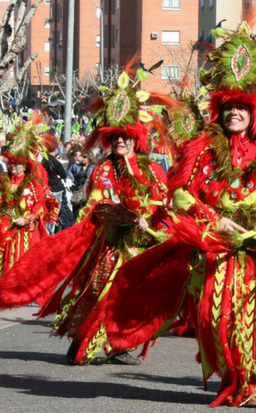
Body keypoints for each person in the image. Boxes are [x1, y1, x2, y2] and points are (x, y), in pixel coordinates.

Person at [88, 12, 256, 407]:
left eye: (242, 107)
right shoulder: (201, 150)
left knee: (254, 321)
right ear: (220, 109)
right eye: (229, 106)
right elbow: (182, 196)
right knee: (215, 319)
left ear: (255, 112)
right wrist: (214, 219)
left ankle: (249, 382)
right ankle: (229, 376)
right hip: (215, 250)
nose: (235, 112)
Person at [0, 63, 170, 366]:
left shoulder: (152, 169)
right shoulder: (104, 168)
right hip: (107, 245)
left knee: (130, 297)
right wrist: (126, 216)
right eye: (115, 136)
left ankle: (117, 344)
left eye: (126, 137)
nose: (120, 141)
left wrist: (153, 222)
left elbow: (163, 202)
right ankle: (81, 339)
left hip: (141, 245)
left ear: (137, 138)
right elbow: (99, 204)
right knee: (94, 291)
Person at [0, 112, 58, 277]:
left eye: (17, 164)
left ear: (25, 165)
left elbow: (39, 206)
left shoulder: (33, 183)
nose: (13, 167)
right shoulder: (2, 181)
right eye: (11, 163)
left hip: (24, 231)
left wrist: (26, 218)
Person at [42, 138, 75, 233]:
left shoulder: (44, 161)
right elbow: (64, 175)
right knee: (54, 212)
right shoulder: (55, 162)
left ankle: (48, 231)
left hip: (46, 188)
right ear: (55, 150)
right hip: (56, 189)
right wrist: (59, 176)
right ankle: (50, 232)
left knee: (48, 212)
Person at [68, 151, 96, 219]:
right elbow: (69, 172)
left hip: (88, 192)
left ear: (89, 158)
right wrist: (73, 180)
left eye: (85, 157)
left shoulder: (93, 167)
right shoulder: (76, 166)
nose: (82, 159)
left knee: (86, 211)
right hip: (78, 191)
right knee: (76, 211)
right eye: (81, 157)